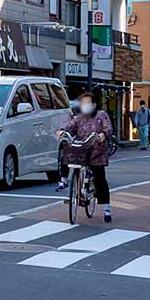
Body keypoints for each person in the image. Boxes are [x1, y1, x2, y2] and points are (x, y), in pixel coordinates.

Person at [55, 91, 115, 223]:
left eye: (87, 102)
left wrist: (103, 134)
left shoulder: (101, 115)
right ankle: (64, 180)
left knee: (100, 178)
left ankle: (106, 208)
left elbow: (108, 128)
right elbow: (70, 125)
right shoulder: (80, 117)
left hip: (97, 152)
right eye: (83, 103)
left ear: (94, 104)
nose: (85, 105)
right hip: (82, 149)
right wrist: (62, 130)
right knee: (67, 152)